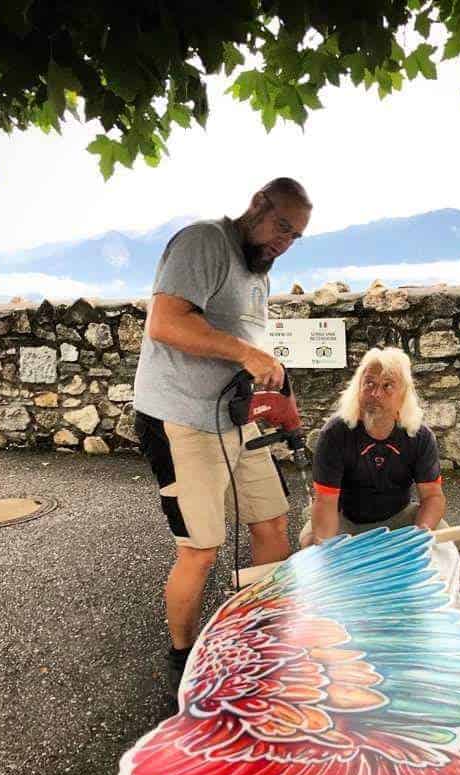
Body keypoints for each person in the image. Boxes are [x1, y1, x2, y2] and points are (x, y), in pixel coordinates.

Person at [133, 178, 312, 693]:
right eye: (282, 226)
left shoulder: (258, 276)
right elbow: (165, 324)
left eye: (295, 236)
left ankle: (259, 636)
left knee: (272, 524)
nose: (285, 241)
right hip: (180, 419)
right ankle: (182, 660)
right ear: (257, 206)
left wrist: (279, 394)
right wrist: (245, 353)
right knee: (202, 548)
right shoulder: (204, 242)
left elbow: (247, 350)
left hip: (234, 418)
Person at [299, 346, 446, 546]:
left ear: (404, 394)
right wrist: (326, 548)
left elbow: (432, 497)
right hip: (346, 519)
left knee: (442, 538)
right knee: (309, 543)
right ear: (357, 389)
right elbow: (325, 502)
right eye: (369, 383)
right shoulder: (334, 433)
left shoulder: (420, 435)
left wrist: (418, 536)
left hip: (400, 516)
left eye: (387, 386)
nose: (376, 393)